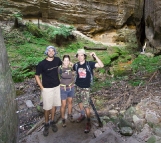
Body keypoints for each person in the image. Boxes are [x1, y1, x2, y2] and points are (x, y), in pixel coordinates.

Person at [73, 49, 104, 133]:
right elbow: (70, 67)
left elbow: (101, 65)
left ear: (84, 56)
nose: (80, 57)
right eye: (78, 55)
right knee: (79, 102)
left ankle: (88, 122)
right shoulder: (76, 65)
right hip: (77, 86)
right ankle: (82, 115)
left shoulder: (89, 64)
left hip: (86, 88)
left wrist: (95, 56)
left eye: (81, 55)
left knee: (86, 105)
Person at [35, 46, 62, 137]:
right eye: (49, 51)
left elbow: (64, 67)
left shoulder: (57, 60)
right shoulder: (42, 64)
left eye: (52, 51)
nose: (51, 52)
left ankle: (52, 121)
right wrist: (42, 87)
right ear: (46, 52)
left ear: (55, 52)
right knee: (47, 108)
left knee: (54, 105)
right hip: (47, 88)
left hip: (57, 87)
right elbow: (37, 76)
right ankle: (46, 124)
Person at [59, 55, 75, 127]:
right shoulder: (60, 69)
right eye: (65, 60)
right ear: (63, 61)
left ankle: (69, 115)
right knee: (63, 104)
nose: (66, 62)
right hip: (63, 89)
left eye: (68, 60)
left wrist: (72, 64)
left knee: (70, 102)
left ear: (69, 61)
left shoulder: (71, 67)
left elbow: (78, 67)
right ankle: (63, 119)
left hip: (71, 87)